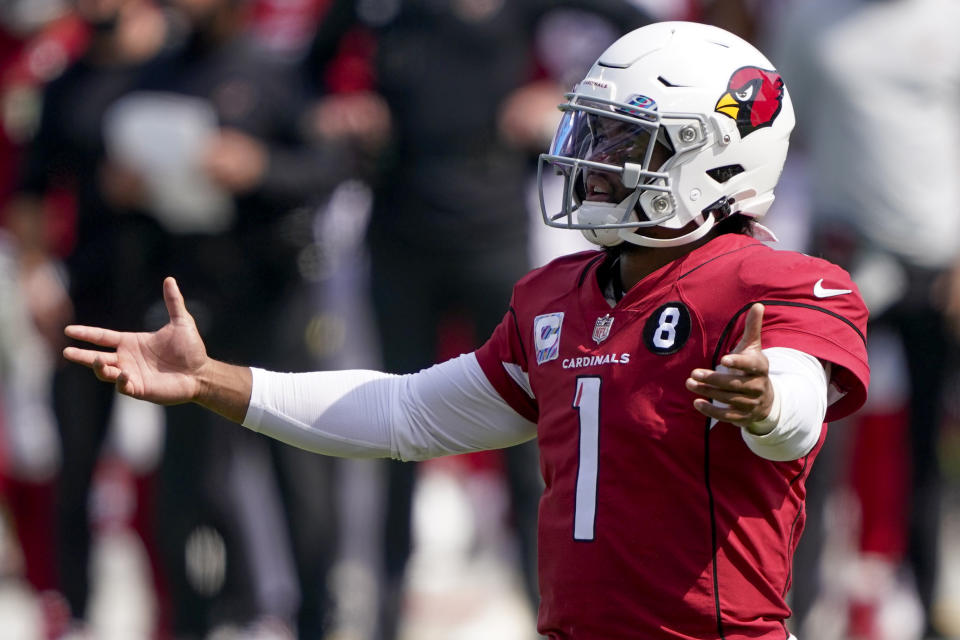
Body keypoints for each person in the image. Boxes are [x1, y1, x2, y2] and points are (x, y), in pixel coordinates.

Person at [62, 22, 870, 640]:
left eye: (627, 143)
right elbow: (404, 414)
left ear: (720, 158)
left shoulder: (778, 287)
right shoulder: (559, 296)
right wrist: (211, 379)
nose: (593, 162)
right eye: (593, 134)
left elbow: (794, 411)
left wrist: (766, 402)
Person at [768, 1, 960, 637]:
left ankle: (931, 602)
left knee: (929, 446)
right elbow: (777, 130)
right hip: (842, 258)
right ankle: (795, 612)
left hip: (939, 263)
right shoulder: (809, 17)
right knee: (809, 441)